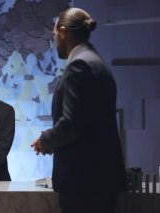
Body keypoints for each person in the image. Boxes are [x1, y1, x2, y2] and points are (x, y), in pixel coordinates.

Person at [31, 8, 126, 213]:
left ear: (64, 32)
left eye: (55, 34)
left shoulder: (79, 65)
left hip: (84, 183)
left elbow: (73, 123)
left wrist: (45, 140)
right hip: (99, 179)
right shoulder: (95, 60)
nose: (54, 39)